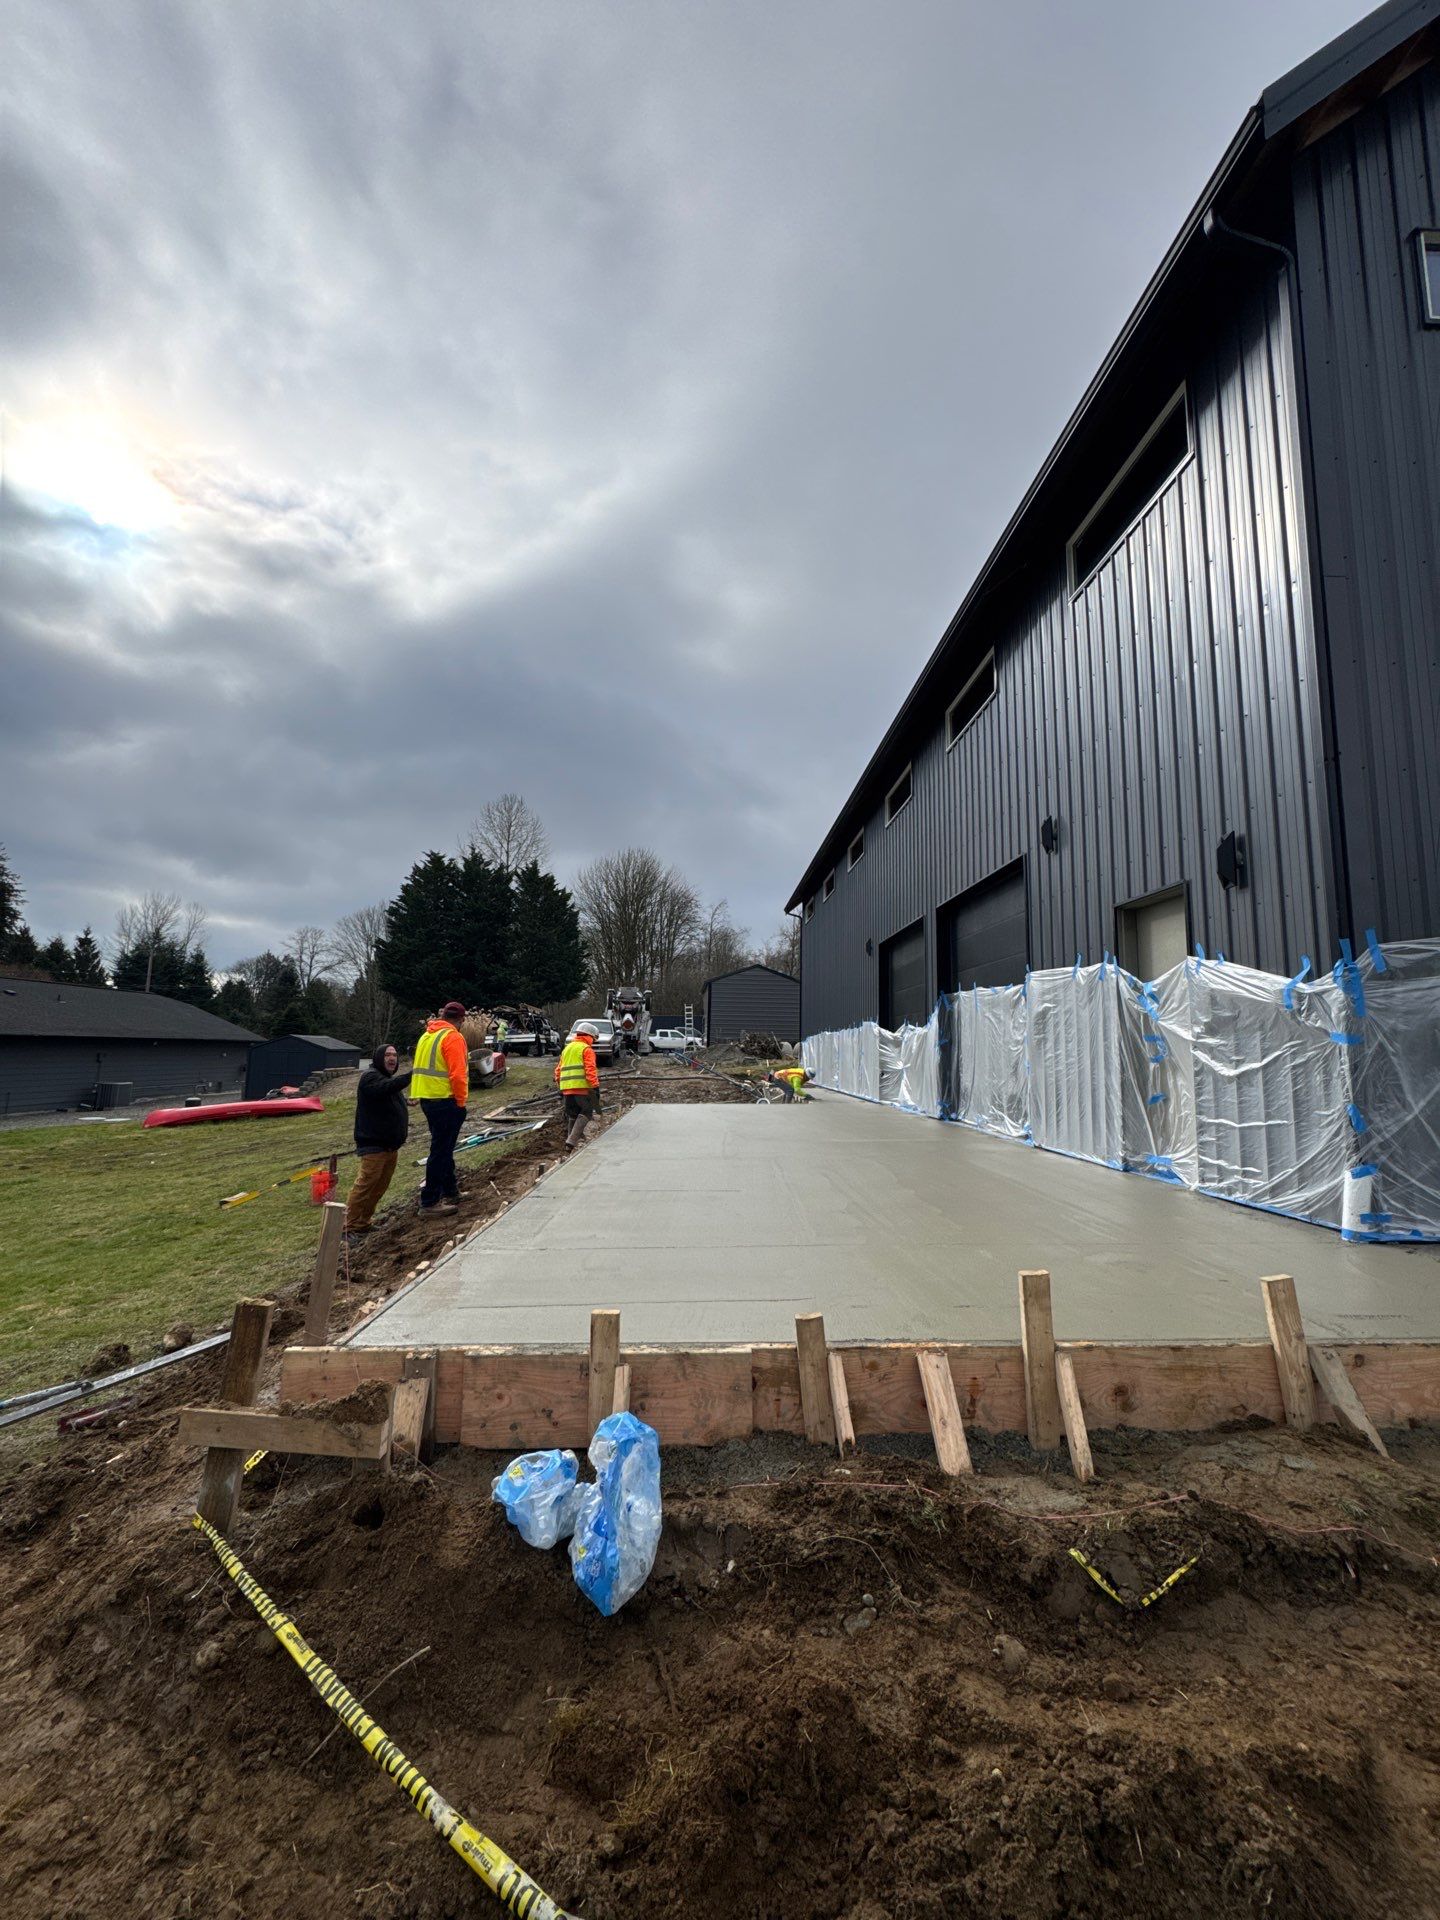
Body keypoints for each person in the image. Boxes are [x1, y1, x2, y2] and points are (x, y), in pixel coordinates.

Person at [345, 1043, 412, 1235]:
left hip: (390, 1146)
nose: (392, 1058)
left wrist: (405, 1101)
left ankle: (363, 1222)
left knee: (378, 1187)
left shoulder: (384, 1078)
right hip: (374, 1145)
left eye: (395, 1055)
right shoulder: (370, 1077)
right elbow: (384, 1089)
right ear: (378, 1058)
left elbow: (388, 1093)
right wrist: (411, 1075)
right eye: (387, 1055)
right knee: (365, 1186)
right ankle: (348, 1227)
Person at [411, 999, 470, 1213]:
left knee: (444, 1148)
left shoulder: (427, 1036)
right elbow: (458, 1074)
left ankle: (450, 1190)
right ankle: (430, 1201)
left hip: (428, 1100)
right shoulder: (452, 1037)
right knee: (440, 1152)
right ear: (461, 1020)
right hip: (445, 1100)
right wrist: (461, 1101)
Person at [555, 1020, 600, 1148]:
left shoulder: (567, 1049)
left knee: (573, 1114)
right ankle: (572, 1140)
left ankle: (569, 1144)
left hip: (567, 1089)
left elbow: (558, 1070)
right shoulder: (586, 1049)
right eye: (594, 1039)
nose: (593, 1042)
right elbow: (590, 1070)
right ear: (590, 1036)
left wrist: (559, 1087)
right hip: (583, 1088)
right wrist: (595, 1086)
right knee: (587, 1112)